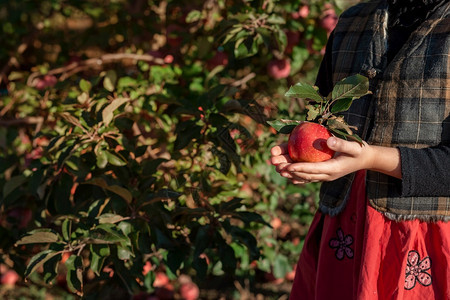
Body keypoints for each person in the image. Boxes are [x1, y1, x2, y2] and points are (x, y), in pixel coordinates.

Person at [270, 0, 450, 299]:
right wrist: (307, 159)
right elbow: (322, 116)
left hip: (426, 235)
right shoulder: (353, 21)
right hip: (347, 227)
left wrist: (371, 158)